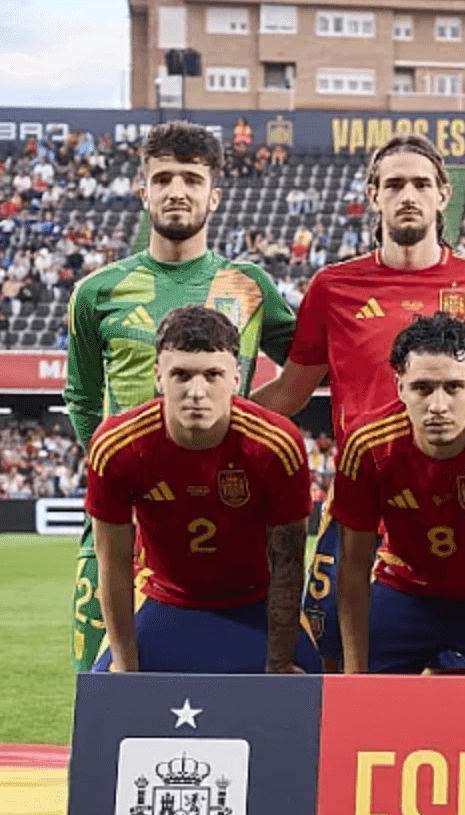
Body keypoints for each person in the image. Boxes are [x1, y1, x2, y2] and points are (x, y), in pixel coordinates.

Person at [251, 133, 465, 667]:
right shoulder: (333, 287)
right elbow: (292, 390)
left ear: (443, 194)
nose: (408, 195)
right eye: (395, 184)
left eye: (421, 184)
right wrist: (214, 420)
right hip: (365, 495)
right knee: (332, 650)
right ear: (373, 194)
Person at [62, 121, 295, 673]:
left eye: (192, 179)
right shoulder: (96, 293)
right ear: (143, 191)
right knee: (104, 692)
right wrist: (118, 473)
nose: (177, 191)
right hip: (124, 525)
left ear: (214, 195)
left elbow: (308, 369)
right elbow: (82, 399)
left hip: (227, 524)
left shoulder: (249, 286)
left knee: (242, 692)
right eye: (163, 178)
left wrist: (245, 426)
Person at [84, 306, 313, 673]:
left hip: (255, 601)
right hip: (162, 599)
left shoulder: (276, 444)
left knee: (317, 694)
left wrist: (280, 662)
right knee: (106, 699)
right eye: (181, 375)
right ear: (158, 376)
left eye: (212, 375)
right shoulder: (117, 444)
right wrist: (126, 666)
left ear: (236, 377)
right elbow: (112, 560)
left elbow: (288, 562)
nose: (196, 392)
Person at [334, 315, 465, 675]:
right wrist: (356, 676)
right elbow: (354, 567)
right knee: (360, 702)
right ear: (400, 387)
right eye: (422, 388)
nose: (438, 406)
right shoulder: (367, 444)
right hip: (405, 590)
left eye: (454, 387)